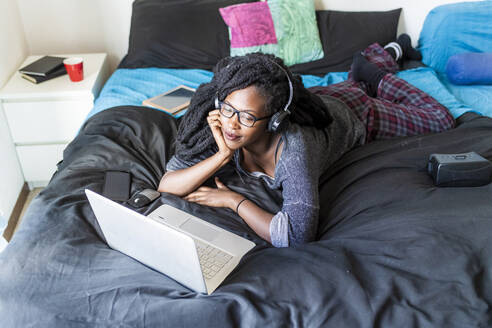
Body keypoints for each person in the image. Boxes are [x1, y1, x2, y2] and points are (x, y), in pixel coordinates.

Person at [158, 34, 455, 248]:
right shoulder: (222, 126)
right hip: (322, 103)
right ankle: (383, 56)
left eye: (247, 117)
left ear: (275, 119)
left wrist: (233, 200)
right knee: (354, 81)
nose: (232, 124)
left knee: (441, 119)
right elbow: (168, 183)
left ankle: (378, 79)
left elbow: (295, 236)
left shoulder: (294, 148)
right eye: (228, 110)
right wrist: (221, 156)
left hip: (356, 114)